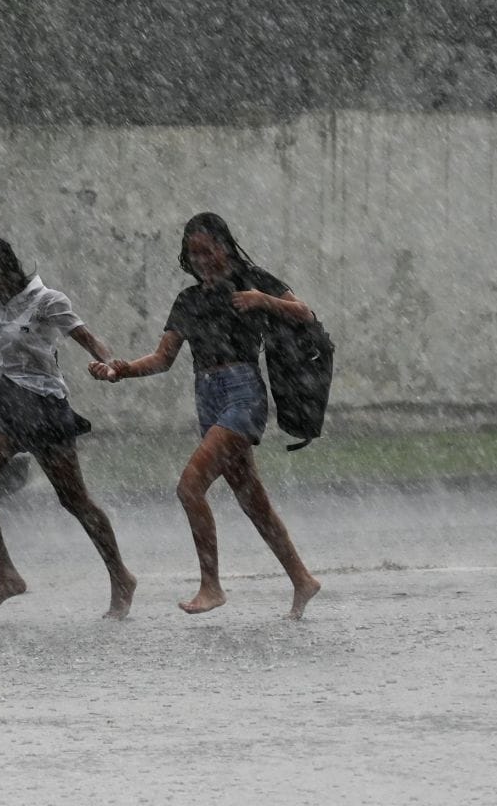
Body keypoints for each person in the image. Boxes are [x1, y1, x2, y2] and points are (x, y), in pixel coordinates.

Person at [88, 213, 323, 620]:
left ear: (225, 246)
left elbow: (304, 312)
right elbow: (163, 359)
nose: (201, 259)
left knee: (189, 486)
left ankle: (211, 585)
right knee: (254, 502)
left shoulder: (252, 279)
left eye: (207, 250)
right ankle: (302, 578)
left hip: (242, 393)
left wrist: (263, 300)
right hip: (208, 398)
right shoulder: (189, 300)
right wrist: (120, 370)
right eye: (193, 253)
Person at [0, 234, 138, 619]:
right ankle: (8, 576)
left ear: (6, 266)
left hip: (43, 407)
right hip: (7, 406)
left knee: (74, 500)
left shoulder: (47, 301)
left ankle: (121, 576)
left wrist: (109, 365)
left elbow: (89, 340)